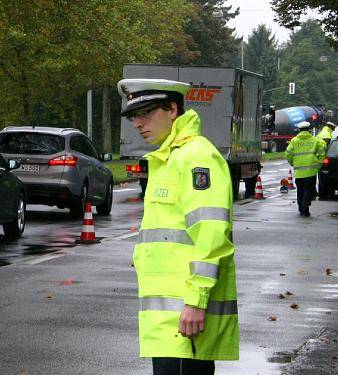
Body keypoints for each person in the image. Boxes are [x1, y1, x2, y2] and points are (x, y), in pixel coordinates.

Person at [118, 79, 238, 374]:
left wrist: (197, 302)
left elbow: (211, 237)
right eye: (134, 115)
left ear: (172, 109)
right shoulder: (168, 157)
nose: (138, 123)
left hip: (186, 317)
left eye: (146, 113)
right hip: (171, 321)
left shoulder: (196, 156)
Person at [286, 121, 327, 216]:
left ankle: (301, 207)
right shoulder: (315, 140)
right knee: (308, 189)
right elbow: (322, 153)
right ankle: (305, 207)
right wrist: (319, 163)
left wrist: (292, 162)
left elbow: (288, 153)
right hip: (311, 171)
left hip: (299, 171)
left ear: (299, 130)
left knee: (300, 190)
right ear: (308, 129)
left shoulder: (294, 141)